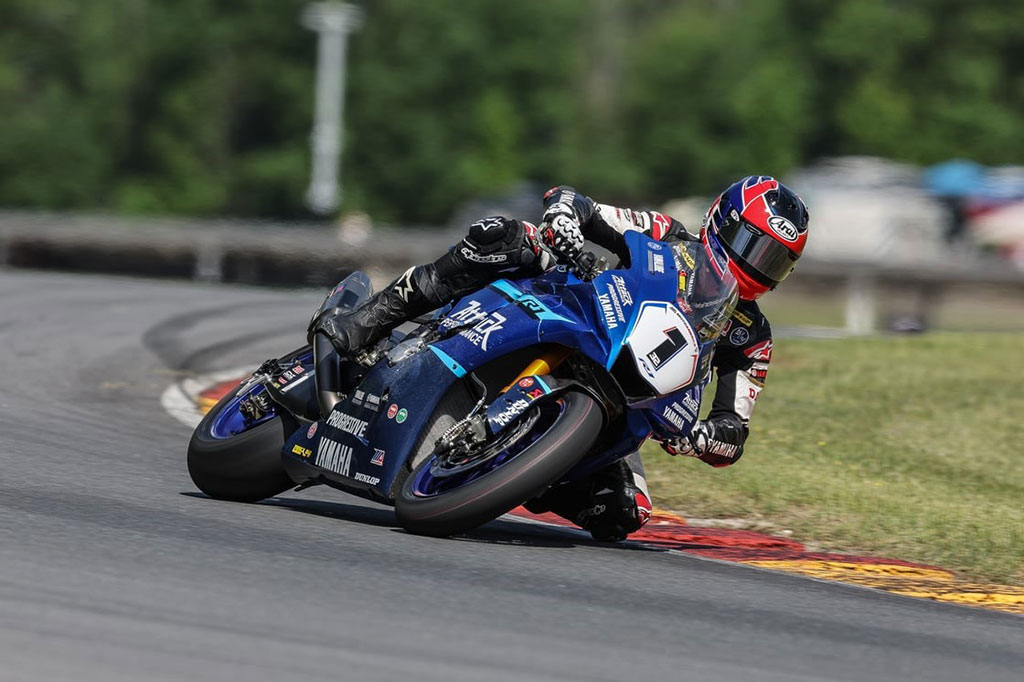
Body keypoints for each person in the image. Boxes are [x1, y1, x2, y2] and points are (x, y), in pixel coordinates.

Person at [314, 176, 809, 541]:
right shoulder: (667, 233)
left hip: (629, 401)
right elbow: (578, 202)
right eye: (755, 247)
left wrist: (708, 437)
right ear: (723, 221)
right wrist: (565, 221)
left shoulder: (753, 338)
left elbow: (734, 426)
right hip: (573, 310)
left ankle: (519, 468)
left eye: (776, 261)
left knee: (623, 513)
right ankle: (369, 321)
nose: (758, 267)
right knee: (504, 237)